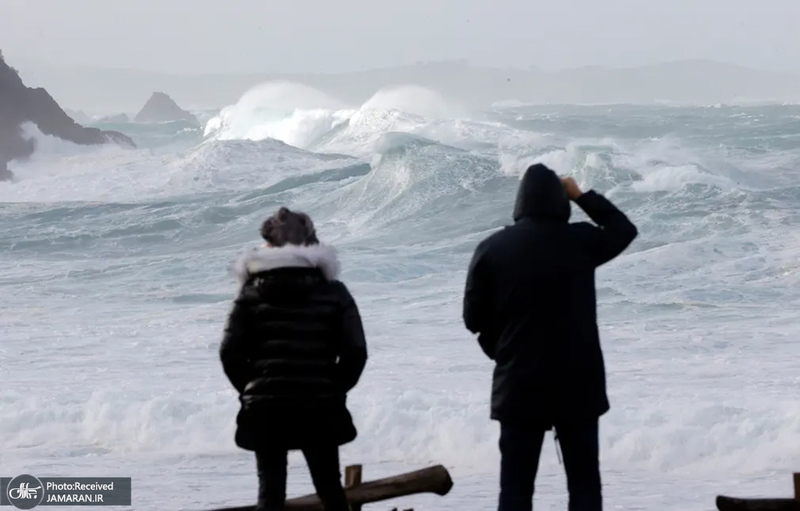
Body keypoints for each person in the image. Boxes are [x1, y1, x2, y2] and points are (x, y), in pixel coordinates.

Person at [462, 164, 638, 511]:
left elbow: (473, 319)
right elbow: (624, 229)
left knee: (515, 489)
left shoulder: (492, 248)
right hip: (578, 383)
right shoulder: (582, 241)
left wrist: (503, 354)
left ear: (520, 202)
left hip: (518, 383)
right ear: (560, 201)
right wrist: (581, 194)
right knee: (584, 486)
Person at [220, 206, 367, 511]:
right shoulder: (334, 292)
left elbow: (229, 352)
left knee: (270, 494)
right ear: (311, 242)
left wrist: (251, 388)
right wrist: (334, 388)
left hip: (266, 406)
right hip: (320, 404)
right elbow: (355, 351)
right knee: (329, 489)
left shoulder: (250, 293)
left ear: (267, 244)